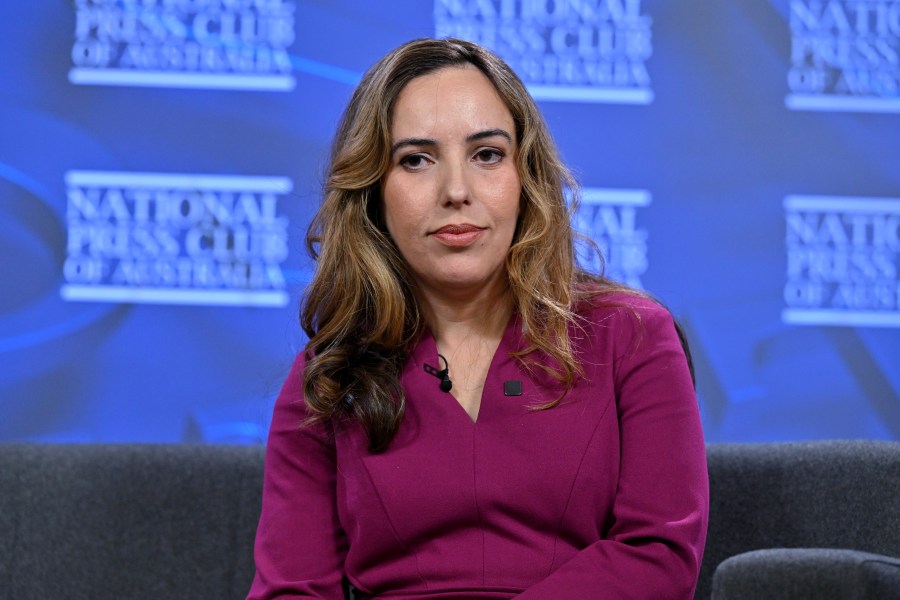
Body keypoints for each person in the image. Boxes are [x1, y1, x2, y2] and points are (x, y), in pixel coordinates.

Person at [247, 38, 708, 600]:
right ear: (373, 192)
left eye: (486, 154)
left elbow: (657, 555)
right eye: (416, 159)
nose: (456, 192)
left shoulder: (630, 334)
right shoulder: (330, 374)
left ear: (525, 176)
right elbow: (292, 590)